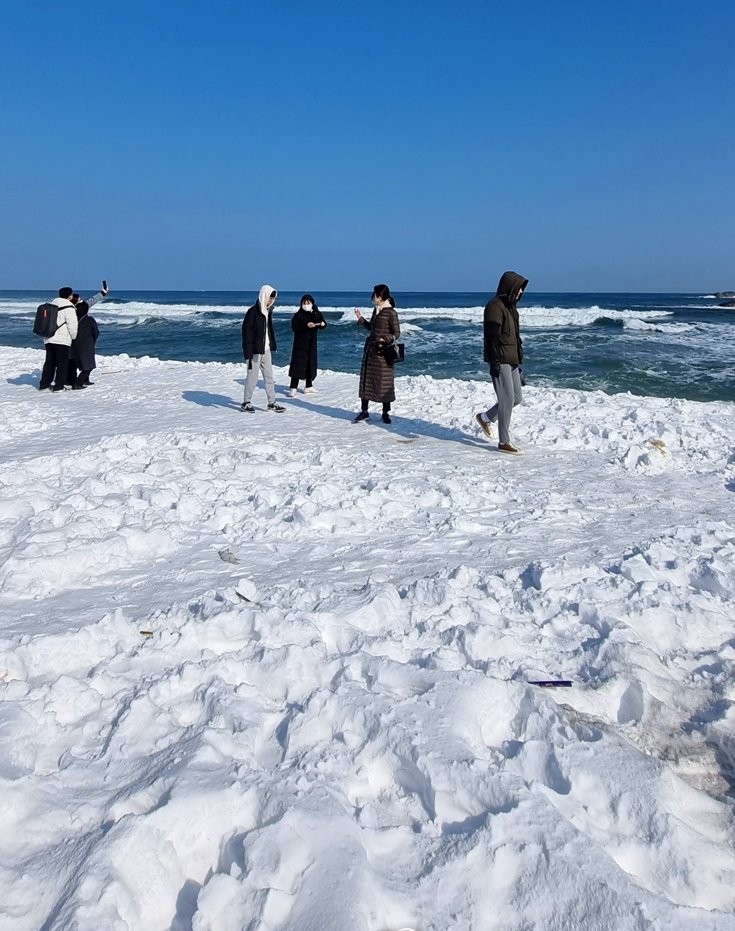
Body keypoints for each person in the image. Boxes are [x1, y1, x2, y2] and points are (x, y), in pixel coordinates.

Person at [475, 270, 528, 454]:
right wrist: (495, 362)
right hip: (500, 359)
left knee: (517, 398)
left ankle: (485, 418)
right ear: (509, 287)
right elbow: (492, 337)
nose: (521, 292)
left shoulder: (511, 308)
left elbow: (516, 338)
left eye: (522, 289)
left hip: (512, 360)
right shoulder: (494, 306)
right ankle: (504, 441)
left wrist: (519, 364)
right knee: (507, 398)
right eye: (518, 288)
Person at [353, 284, 401, 424]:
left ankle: (385, 413)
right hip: (371, 352)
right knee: (366, 381)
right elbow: (372, 328)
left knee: (384, 383)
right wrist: (361, 319)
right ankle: (364, 411)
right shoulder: (376, 310)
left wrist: (385, 338)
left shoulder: (391, 313)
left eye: (374, 295)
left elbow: (397, 333)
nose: (373, 297)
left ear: (380, 297)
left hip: (383, 353)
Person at [240, 285, 286, 413]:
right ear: (264, 295)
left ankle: (272, 403)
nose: (271, 300)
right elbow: (247, 334)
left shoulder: (268, 311)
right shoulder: (252, 312)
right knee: (252, 377)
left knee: (269, 377)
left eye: (273, 298)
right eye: (270, 297)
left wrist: (272, 345)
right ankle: (246, 402)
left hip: (266, 350)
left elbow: (268, 331)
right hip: (254, 351)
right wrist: (248, 353)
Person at [68, 280, 109, 387]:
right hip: (78, 340)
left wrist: (103, 293)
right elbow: (95, 332)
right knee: (81, 361)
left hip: (74, 340)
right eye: (80, 300)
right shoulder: (74, 312)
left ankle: (81, 380)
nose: (82, 301)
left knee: (76, 359)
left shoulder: (78, 308)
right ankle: (77, 381)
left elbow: (92, 300)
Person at [38, 287, 79, 391]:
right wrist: (73, 337)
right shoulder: (69, 307)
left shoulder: (52, 305)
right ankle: (58, 386)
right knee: (62, 364)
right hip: (62, 339)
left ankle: (44, 385)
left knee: (49, 363)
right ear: (70, 296)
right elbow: (72, 325)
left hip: (48, 337)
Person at [288, 294, 327, 396]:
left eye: (308, 303)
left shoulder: (316, 313)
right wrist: (306, 326)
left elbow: (323, 323)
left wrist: (321, 324)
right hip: (300, 344)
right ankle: (293, 387)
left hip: (311, 344)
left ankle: (308, 386)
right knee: (297, 365)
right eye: (304, 303)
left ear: (312, 303)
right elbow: (294, 327)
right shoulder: (298, 315)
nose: (306, 305)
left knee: (310, 364)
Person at [67, 301, 100, 389]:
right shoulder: (89, 320)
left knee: (79, 363)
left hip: (73, 345)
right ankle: (78, 383)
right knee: (88, 366)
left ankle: (83, 380)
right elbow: (96, 332)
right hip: (86, 345)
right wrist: (93, 341)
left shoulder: (73, 320)